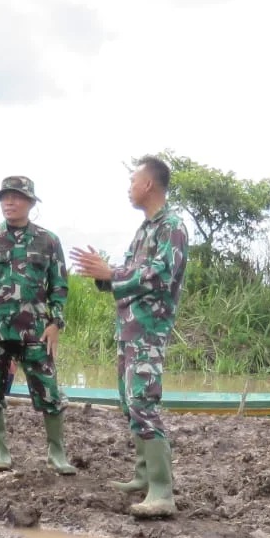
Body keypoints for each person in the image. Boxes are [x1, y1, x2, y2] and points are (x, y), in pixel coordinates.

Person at [69, 156, 189, 519]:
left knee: (143, 401)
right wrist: (104, 274)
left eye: (133, 180)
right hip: (130, 327)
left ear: (148, 185)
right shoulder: (144, 229)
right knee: (128, 400)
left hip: (150, 329)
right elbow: (129, 272)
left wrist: (112, 271)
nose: (129, 187)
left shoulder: (172, 226)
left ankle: (162, 492)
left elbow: (158, 275)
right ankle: (143, 477)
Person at [0, 175, 76, 475]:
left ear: (30, 202)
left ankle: (57, 453)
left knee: (49, 391)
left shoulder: (48, 241)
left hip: (35, 329)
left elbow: (59, 286)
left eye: (16, 197)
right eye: (4, 197)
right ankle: (0, 451)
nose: (9, 202)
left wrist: (56, 322)